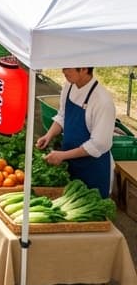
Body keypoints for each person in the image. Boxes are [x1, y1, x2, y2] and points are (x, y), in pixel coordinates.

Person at [36, 67, 116, 197]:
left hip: (93, 170)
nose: (63, 71)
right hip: (71, 163)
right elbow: (62, 116)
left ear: (84, 69)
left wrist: (62, 156)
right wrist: (48, 135)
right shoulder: (69, 85)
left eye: (68, 68)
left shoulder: (102, 102)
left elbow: (98, 145)